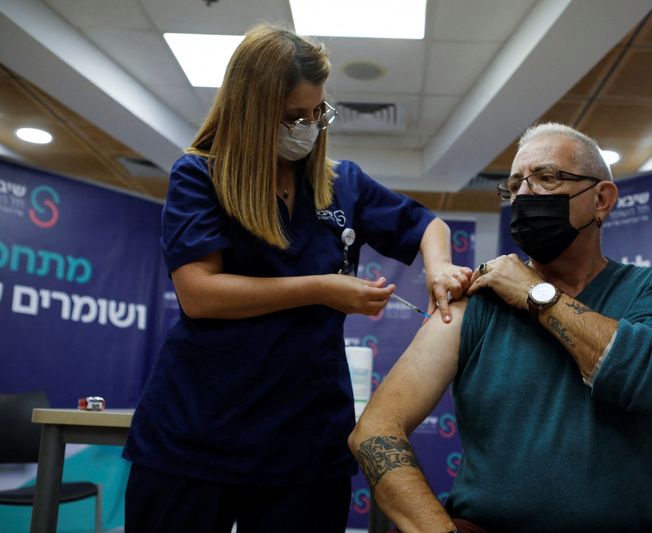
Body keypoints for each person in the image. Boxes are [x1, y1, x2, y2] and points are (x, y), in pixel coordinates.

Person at [122, 23, 472, 533]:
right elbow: (199, 294)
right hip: (199, 432)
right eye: (292, 117)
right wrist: (322, 288)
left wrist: (438, 266)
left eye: (317, 113)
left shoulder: (340, 183)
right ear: (251, 113)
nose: (308, 126)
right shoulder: (199, 176)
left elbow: (427, 224)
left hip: (303, 441)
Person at [349, 123, 652, 532]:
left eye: (547, 178)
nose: (525, 195)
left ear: (601, 200)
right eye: (515, 185)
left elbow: (651, 381)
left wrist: (536, 292)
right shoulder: (478, 304)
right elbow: (375, 430)